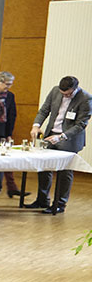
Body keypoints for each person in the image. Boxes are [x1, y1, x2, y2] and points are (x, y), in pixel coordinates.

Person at [26, 76, 90, 214]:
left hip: (68, 139)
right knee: (44, 167)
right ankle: (42, 200)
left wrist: (61, 136)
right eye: (63, 93)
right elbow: (44, 110)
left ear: (75, 88)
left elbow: (81, 124)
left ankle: (60, 204)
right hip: (51, 135)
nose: (65, 96)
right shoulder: (55, 91)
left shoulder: (85, 98)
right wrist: (36, 126)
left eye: (68, 94)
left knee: (65, 172)